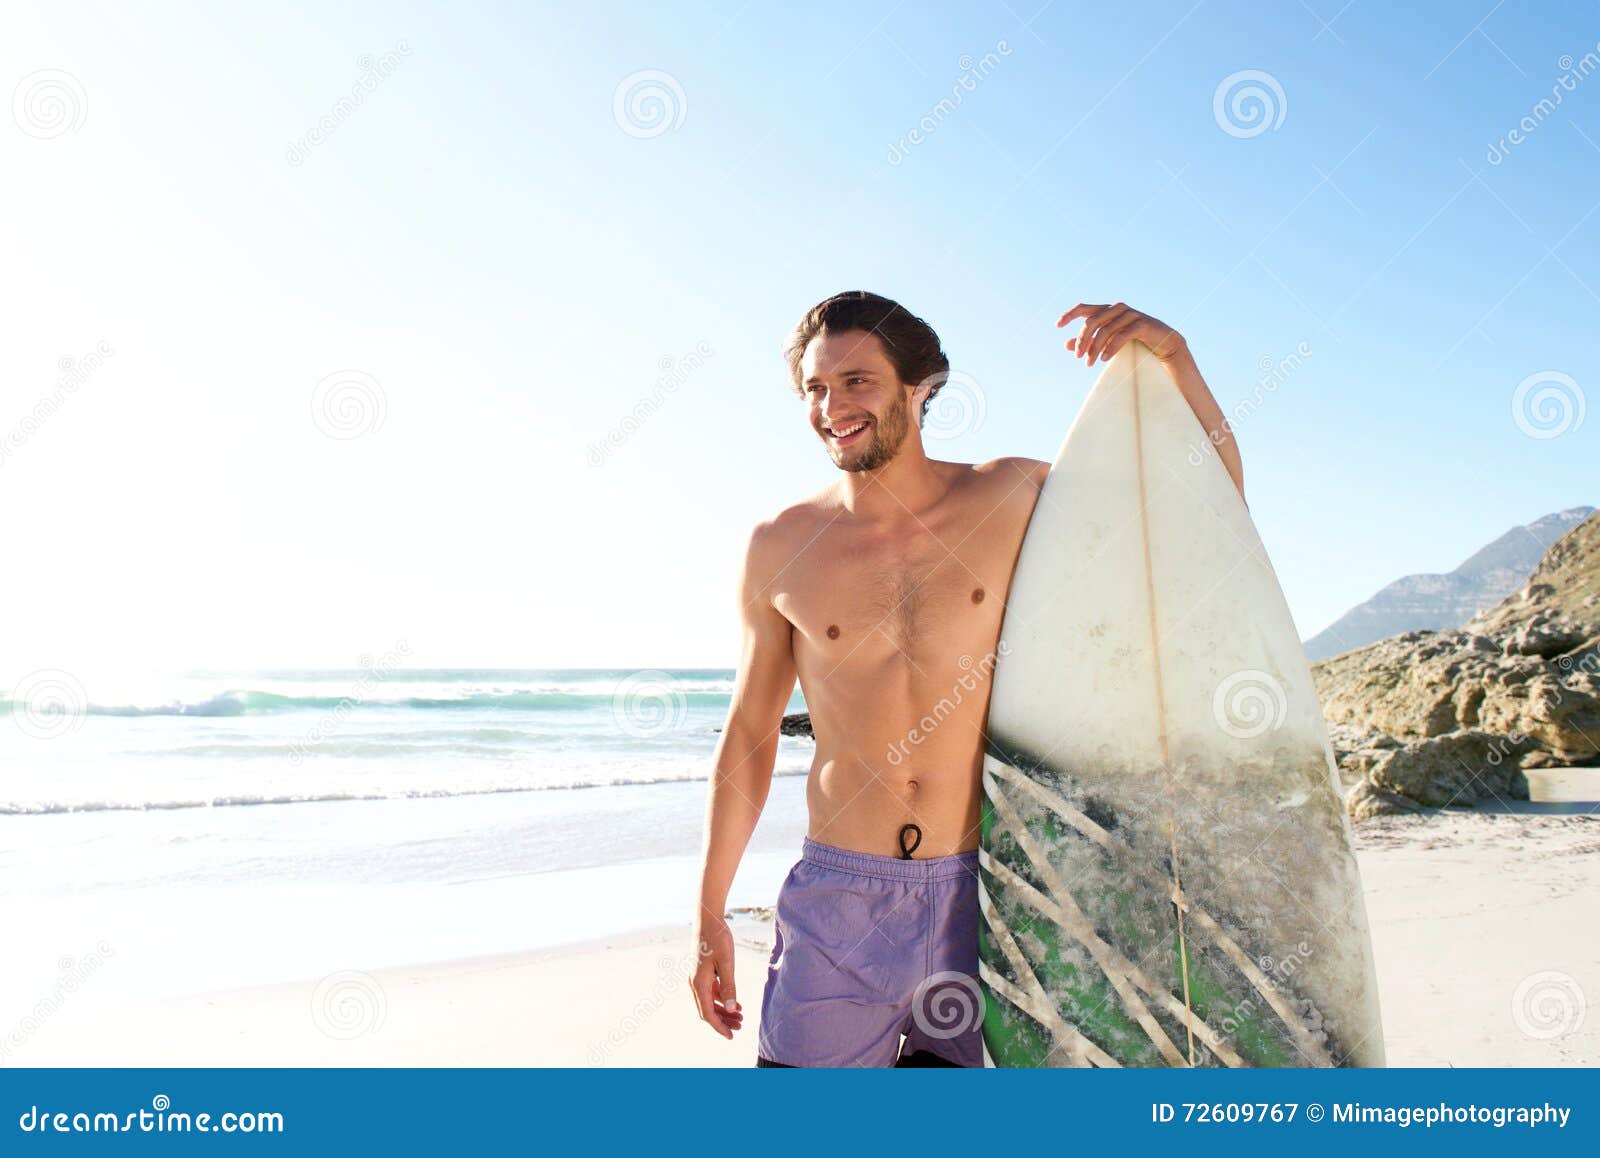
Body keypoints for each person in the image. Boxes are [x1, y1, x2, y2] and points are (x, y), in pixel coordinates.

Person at [689, 291, 1242, 1067]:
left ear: (920, 386)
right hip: (839, 903)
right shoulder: (780, 547)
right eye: (815, 388)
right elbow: (749, 733)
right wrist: (710, 909)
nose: (831, 406)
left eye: (857, 381)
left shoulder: (1009, 497)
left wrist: (1175, 357)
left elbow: (1203, 512)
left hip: (984, 902)